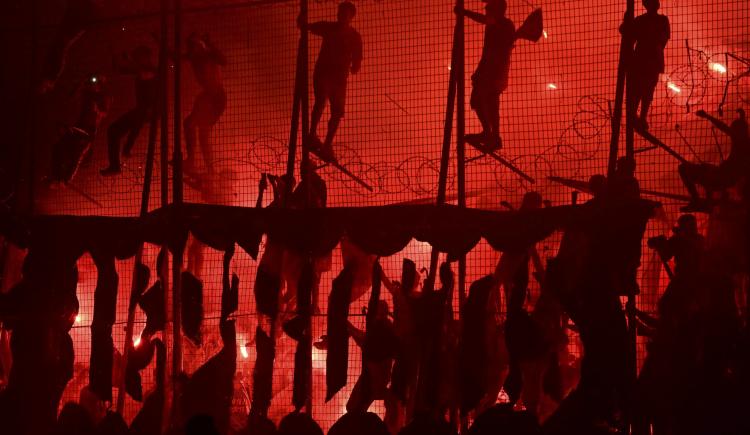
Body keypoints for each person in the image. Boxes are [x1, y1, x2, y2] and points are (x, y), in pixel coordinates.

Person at [303, 1, 362, 162]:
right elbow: (308, 26)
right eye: (340, 13)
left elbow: (357, 60)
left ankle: (327, 145)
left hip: (339, 80)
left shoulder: (354, 37)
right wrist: (304, 23)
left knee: (337, 112)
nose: (340, 16)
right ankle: (312, 134)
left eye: (344, 13)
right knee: (321, 100)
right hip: (324, 73)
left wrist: (355, 66)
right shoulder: (329, 28)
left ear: (351, 17)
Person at [457, 0, 515, 151]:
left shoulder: (504, 24)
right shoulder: (499, 25)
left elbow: (485, 20)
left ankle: (493, 137)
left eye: (489, 8)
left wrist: (464, 12)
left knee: (488, 103)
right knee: (481, 102)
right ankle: (489, 135)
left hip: (494, 73)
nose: (486, 9)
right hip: (489, 71)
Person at [101, 45, 158, 175]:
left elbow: (143, 73)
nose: (137, 59)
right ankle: (118, 161)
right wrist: (114, 57)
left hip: (149, 111)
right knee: (114, 131)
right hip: (142, 110)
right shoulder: (140, 70)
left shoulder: (152, 71)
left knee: (119, 128)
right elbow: (119, 70)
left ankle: (119, 160)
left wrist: (130, 60)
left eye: (139, 57)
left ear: (146, 57)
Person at [679, 109, 750, 211]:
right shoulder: (743, 140)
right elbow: (729, 128)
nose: (731, 132)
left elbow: (723, 126)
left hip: (722, 178)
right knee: (704, 168)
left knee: (685, 169)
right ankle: (707, 202)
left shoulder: (741, 142)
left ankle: (697, 200)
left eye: (734, 130)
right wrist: (742, 116)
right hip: (723, 176)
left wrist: (707, 116)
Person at [50, 74, 109, 185]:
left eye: (96, 83)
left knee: (77, 155)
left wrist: (97, 108)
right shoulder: (87, 94)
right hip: (78, 129)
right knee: (59, 147)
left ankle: (65, 179)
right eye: (92, 82)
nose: (93, 85)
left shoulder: (102, 97)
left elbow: (104, 113)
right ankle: (56, 176)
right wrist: (78, 86)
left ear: (100, 85)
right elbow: (71, 97)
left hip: (88, 132)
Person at [621, 0, 670, 131]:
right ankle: (637, 117)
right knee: (643, 90)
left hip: (646, 59)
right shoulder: (656, 20)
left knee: (644, 90)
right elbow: (625, 31)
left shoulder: (652, 20)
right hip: (648, 60)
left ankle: (639, 118)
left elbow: (663, 38)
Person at [183, 33, 227, 176]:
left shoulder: (209, 55)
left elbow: (223, 60)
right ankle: (210, 170)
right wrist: (160, 42)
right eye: (192, 46)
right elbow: (175, 57)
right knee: (201, 133)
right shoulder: (194, 56)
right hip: (208, 96)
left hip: (214, 97)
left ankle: (192, 162)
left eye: (197, 45)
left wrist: (211, 45)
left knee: (192, 125)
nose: (194, 48)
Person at [39, 0, 97, 94]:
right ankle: (48, 82)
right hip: (78, 21)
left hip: (77, 20)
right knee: (61, 45)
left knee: (61, 45)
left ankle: (48, 81)